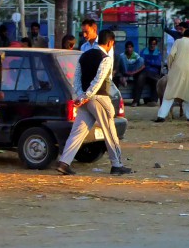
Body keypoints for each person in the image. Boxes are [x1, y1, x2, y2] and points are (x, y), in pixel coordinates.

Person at [54, 29, 133, 176]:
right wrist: (87, 96)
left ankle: (64, 162)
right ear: (110, 42)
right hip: (99, 98)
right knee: (110, 131)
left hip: (85, 99)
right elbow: (98, 80)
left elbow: (76, 78)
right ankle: (117, 164)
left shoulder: (84, 55)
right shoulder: (106, 58)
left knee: (77, 132)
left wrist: (80, 96)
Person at [155, 27, 189, 122]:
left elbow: (171, 55)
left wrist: (170, 67)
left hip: (176, 70)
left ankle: (161, 116)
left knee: (170, 93)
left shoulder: (178, 41)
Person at [117, 41, 146, 106]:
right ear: (125, 48)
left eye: (130, 47)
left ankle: (128, 76)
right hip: (125, 70)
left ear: (133, 48)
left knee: (141, 59)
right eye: (128, 47)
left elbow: (143, 65)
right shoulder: (122, 55)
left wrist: (134, 72)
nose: (129, 49)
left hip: (133, 70)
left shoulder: (136, 55)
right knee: (121, 58)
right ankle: (126, 76)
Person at [139, 37, 163, 105]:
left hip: (154, 72)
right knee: (139, 79)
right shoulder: (143, 51)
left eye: (154, 44)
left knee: (156, 81)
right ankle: (136, 100)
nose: (152, 45)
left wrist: (148, 62)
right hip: (144, 71)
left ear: (156, 45)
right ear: (148, 44)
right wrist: (153, 62)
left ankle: (154, 101)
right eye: (151, 44)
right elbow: (141, 61)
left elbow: (158, 63)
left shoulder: (158, 52)